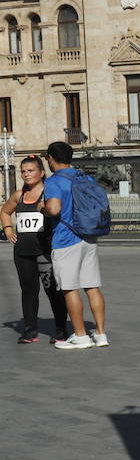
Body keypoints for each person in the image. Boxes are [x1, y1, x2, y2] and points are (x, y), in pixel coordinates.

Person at [43, 141, 108, 350]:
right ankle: (100, 333)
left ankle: (80, 336)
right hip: (88, 236)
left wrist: (41, 208)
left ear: (51, 158)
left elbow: (53, 209)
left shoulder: (54, 181)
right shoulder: (85, 177)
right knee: (92, 286)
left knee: (70, 288)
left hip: (65, 239)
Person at [1, 156, 68, 343]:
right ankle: (30, 331)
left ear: (42, 172)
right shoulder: (18, 195)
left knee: (53, 290)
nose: (26, 174)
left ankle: (61, 330)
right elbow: (5, 212)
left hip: (44, 251)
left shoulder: (49, 193)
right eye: (23, 171)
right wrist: (8, 230)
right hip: (22, 252)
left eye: (30, 170)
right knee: (28, 290)